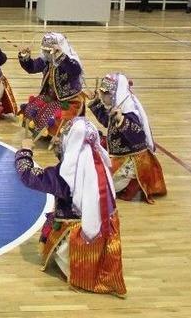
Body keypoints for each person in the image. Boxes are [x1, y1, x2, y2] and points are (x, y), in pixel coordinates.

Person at [15, 118, 126, 296]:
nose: (59, 139)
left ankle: (76, 265)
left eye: (64, 137)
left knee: (49, 231)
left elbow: (29, 176)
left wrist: (25, 152)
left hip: (80, 241)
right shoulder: (99, 161)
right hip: (103, 233)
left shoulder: (65, 177)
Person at [88, 73, 166, 203]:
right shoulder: (118, 105)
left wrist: (122, 120)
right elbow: (107, 121)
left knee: (98, 183)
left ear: (114, 94)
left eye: (104, 93)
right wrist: (96, 102)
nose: (102, 96)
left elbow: (139, 138)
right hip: (118, 152)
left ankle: (132, 179)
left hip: (131, 160)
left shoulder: (129, 111)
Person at [17, 33, 87, 141]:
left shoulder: (70, 61)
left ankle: (51, 134)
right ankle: (42, 132)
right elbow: (32, 68)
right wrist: (24, 56)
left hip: (67, 101)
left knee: (49, 116)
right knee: (30, 109)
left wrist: (61, 57)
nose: (46, 54)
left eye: (48, 51)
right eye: (44, 50)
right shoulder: (47, 60)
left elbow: (75, 70)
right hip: (49, 97)